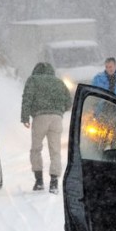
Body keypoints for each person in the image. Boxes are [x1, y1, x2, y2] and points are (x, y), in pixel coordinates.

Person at [21, 62, 72, 192]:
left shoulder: (33, 80)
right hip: (56, 119)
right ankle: (54, 182)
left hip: (39, 118)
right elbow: (69, 101)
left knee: (36, 149)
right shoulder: (59, 82)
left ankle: (39, 182)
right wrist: (59, 111)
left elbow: (27, 98)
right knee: (55, 150)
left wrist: (25, 117)